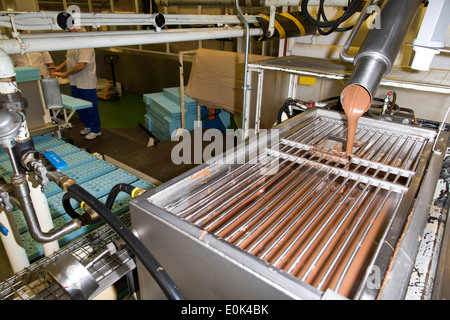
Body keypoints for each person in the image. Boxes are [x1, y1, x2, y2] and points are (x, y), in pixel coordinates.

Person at [54, 29, 101, 140]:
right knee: (79, 106)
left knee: (90, 106)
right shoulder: (73, 41)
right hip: (75, 80)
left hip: (86, 81)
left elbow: (81, 65)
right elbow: (69, 58)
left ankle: (96, 130)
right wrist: (60, 67)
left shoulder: (85, 42)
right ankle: (87, 126)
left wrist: (64, 73)